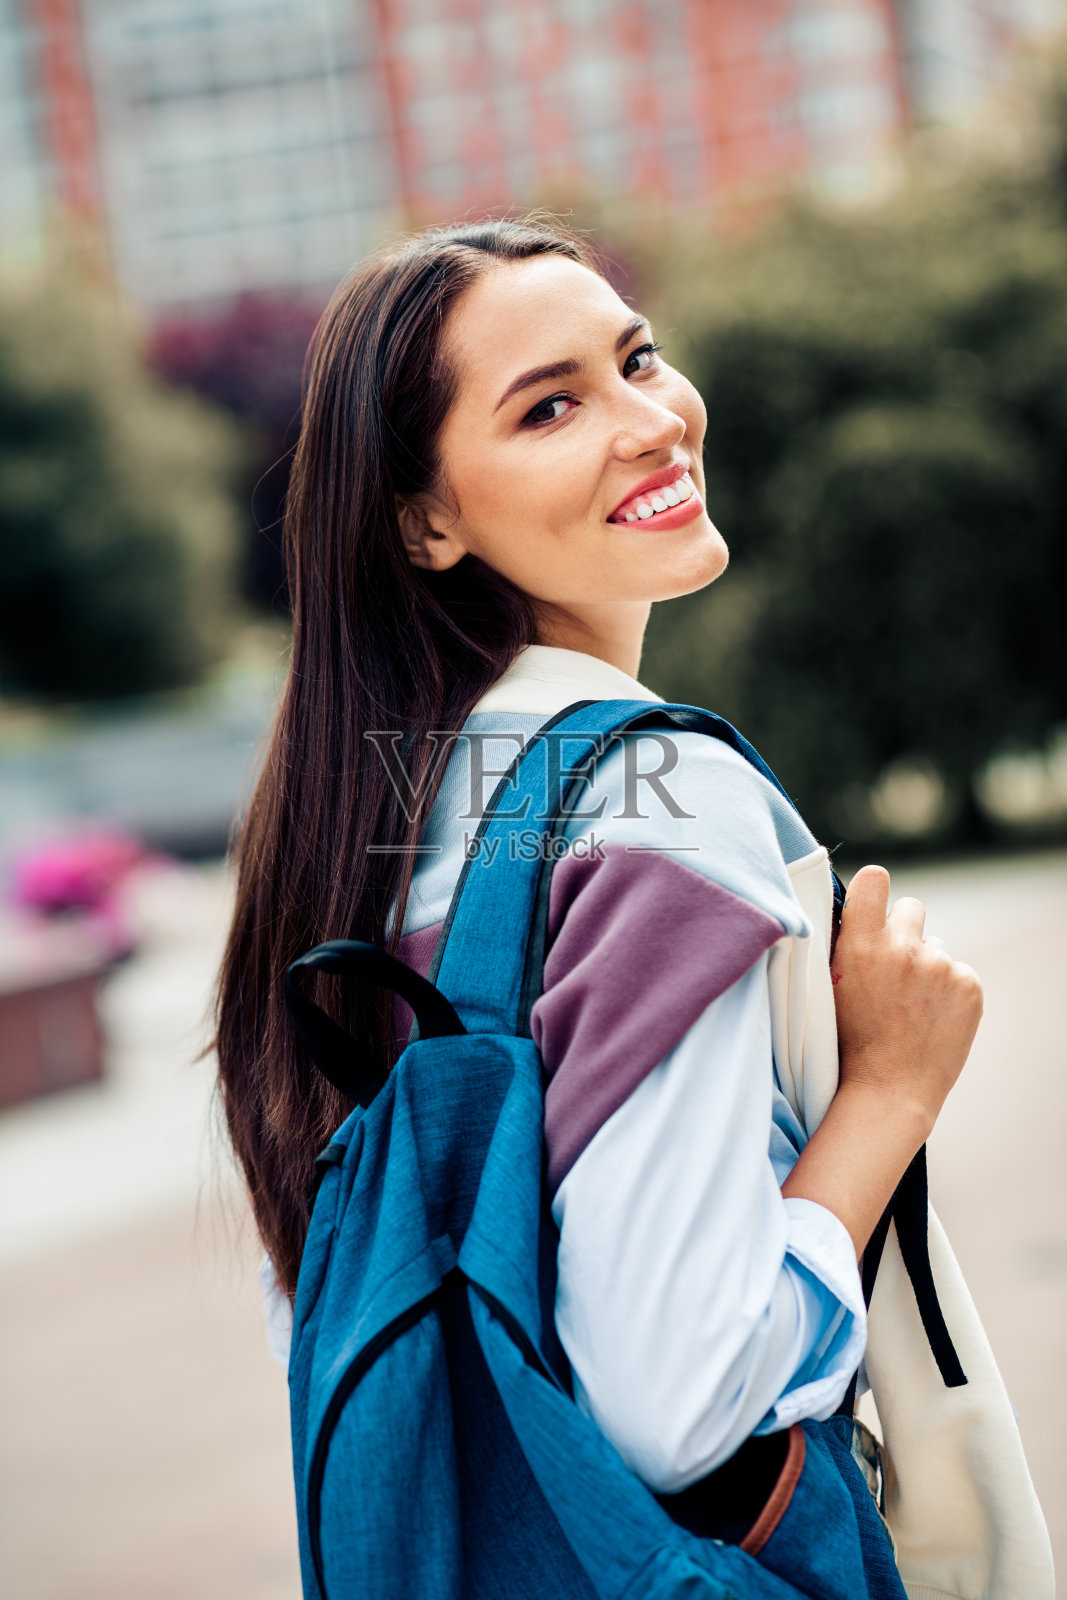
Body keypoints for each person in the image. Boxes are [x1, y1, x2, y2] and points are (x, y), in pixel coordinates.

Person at [215, 216, 1050, 1594]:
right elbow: (680, 1394)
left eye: (637, 358)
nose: (651, 421)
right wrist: (890, 1094)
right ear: (426, 521)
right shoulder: (649, 789)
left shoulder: (358, 835)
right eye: (551, 406)